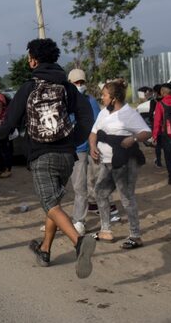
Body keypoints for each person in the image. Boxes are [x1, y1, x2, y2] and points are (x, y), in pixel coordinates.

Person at [0, 38, 96, 278]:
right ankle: (45, 250)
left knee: (49, 204)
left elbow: (10, 121)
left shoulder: (28, 87)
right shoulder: (67, 86)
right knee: (54, 204)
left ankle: (79, 242)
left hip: (41, 154)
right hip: (67, 155)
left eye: (29, 57)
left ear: (34, 60)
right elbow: (86, 116)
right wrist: (74, 139)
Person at [89, 81, 151, 249]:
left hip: (125, 162)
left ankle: (135, 236)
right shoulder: (103, 113)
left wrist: (133, 138)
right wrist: (93, 147)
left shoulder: (129, 114)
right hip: (107, 163)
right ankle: (106, 231)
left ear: (114, 98)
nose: (102, 98)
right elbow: (94, 132)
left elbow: (146, 132)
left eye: (104, 95)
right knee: (100, 192)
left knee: (126, 197)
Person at [67, 68, 101, 237]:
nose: (79, 85)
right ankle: (74, 220)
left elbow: (97, 124)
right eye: (76, 83)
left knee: (92, 183)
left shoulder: (91, 101)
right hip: (75, 148)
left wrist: (94, 145)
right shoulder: (65, 103)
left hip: (89, 148)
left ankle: (83, 218)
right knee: (78, 185)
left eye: (82, 82)